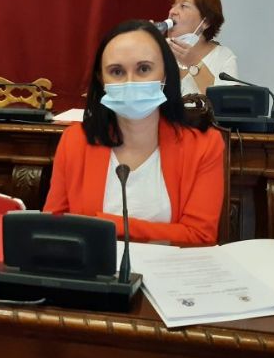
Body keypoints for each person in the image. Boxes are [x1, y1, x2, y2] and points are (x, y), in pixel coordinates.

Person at [43, 20, 224, 246]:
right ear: (101, 79)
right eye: (117, 71)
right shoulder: (75, 141)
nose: (130, 82)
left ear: (165, 74)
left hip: (169, 268)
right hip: (96, 268)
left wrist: (107, 226)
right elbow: (53, 228)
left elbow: (200, 237)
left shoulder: (204, 145)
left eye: (144, 69)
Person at [166, 0, 237, 95]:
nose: (172, 12)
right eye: (173, 6)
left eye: (183, 6)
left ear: (206, 22)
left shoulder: (223, 56)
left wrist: (193, 62)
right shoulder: (160, 52)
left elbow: (227, 102)